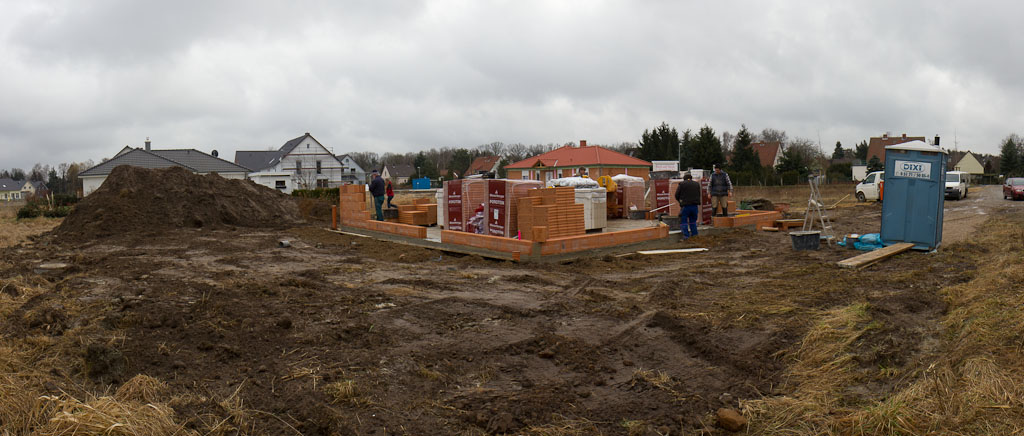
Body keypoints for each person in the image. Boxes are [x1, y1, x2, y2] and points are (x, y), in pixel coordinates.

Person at [674, 173, 701, 240]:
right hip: (694, 206)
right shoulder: (696, 184)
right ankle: (695, 235)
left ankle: (686, 236)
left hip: (685, 206)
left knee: (683, 221)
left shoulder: (682, 184)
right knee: (693, 221)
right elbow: (698, 194)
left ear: (684, 178)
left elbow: (677, 195)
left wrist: (680, 201)